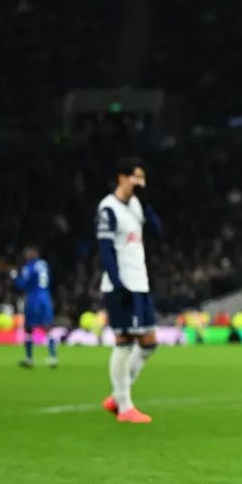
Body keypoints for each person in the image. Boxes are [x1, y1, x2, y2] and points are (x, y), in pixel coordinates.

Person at [97, 157, 162, 424]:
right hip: (121, 284)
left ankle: (117, 394)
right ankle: (124, 408)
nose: (141, 183)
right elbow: (105, 250)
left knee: (149, 343)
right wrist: (117, 283)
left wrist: (147, 204)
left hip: (140, 282)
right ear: (122, 177)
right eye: (137, 177)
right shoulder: (108, 208)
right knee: (123, 343)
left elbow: (159, 232)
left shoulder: (136, 205)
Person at [11, 246, 57, 368]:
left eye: (28, 253)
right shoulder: (44, 264)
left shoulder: (29, 266)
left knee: (29, 328)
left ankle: (29, 358)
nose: (26, 255)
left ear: (33, 253)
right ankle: (53, 357)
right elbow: (50, 280)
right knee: (48, 327)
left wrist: (15, 277)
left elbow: (23, 285)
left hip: (33, 298)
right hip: (46, 297)